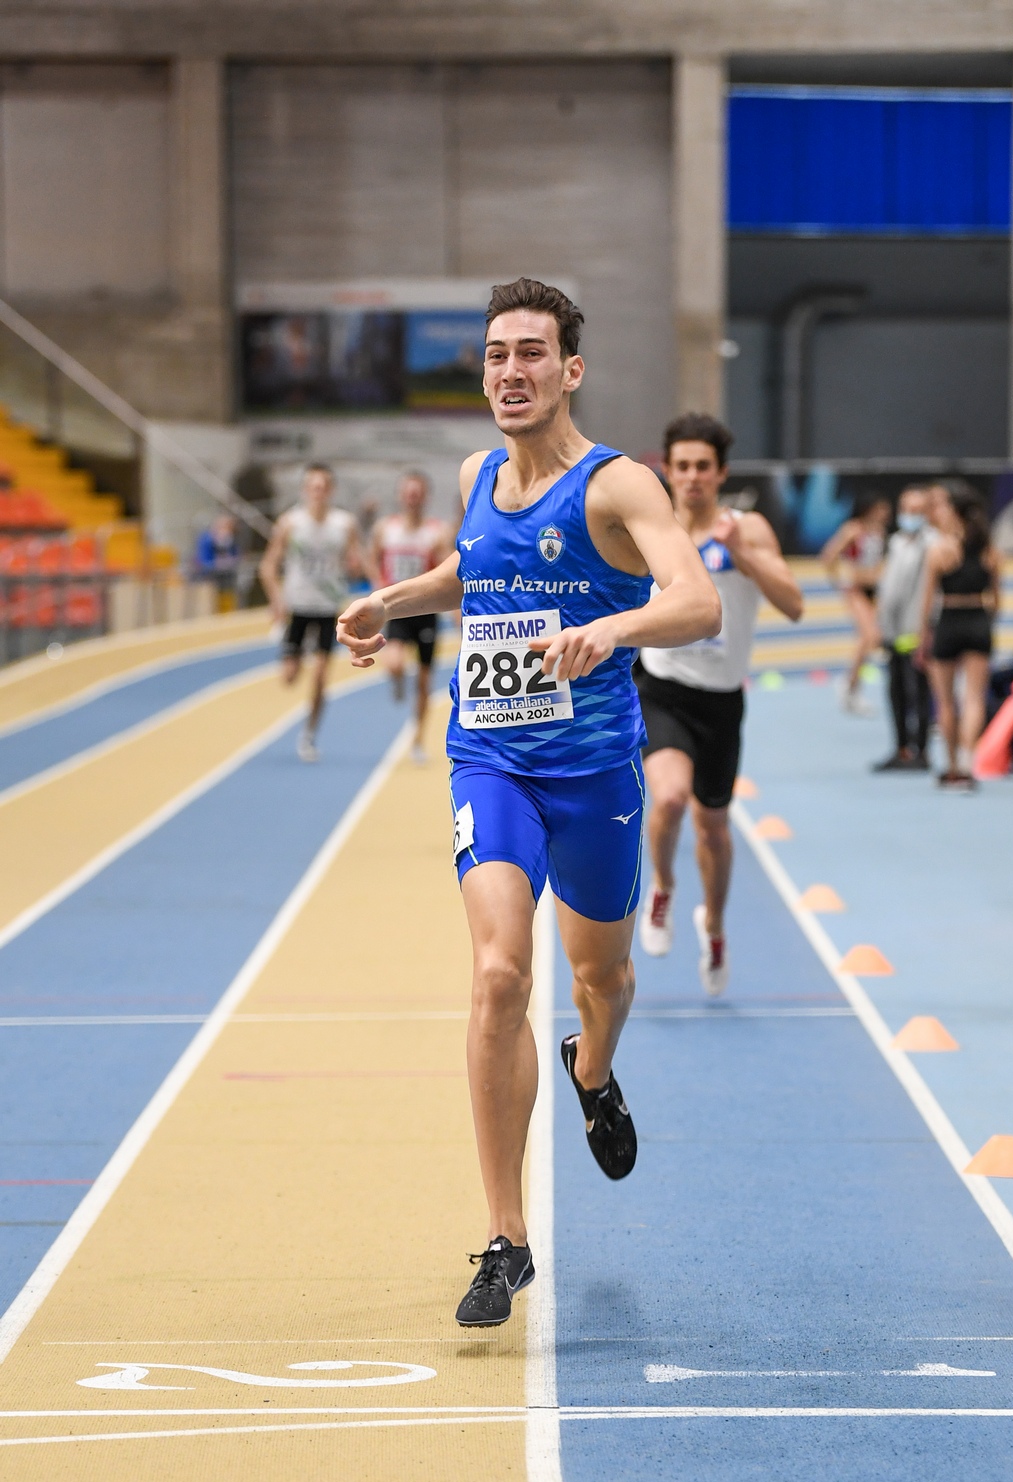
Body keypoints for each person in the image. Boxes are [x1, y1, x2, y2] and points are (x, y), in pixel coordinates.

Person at [336, 277, 721, 1327]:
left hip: (593, 775)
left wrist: (611, 630)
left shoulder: (618, 486)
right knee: (500, 973)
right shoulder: (476, 475)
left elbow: (697, 601)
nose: (511, 371)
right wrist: (392, 600)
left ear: (569, 370)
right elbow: (475, 569)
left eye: (531, 353)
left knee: (602, 978)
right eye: (497, 354)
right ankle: (506, 1241)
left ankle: (593, 1072)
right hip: (491, 761)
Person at [634, 415, 803, 992]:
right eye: (682, 466)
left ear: (722, 473)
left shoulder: (746, 528)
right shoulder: (653, 530)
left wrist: (743, 555)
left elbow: (794, 605)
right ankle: (662, 886)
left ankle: (714, 925)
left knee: (713, 829)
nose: (692, 477)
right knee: (669, 798)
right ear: (667, 470)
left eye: (703, 467)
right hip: (661, 688)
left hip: (721, 701)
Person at [259, 463, 360, 763]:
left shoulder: (344, 524)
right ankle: (297, 652)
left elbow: (358, 560)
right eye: (313, 487)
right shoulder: (290, 523)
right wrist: (276, 600)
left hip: (328, 608)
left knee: (320, 676)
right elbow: (267, 566)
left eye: (323, 487)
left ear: (331, 490)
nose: (318, 492)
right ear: (305, 490)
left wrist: (363, 576)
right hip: (298, 606)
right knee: (289, 678)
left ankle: (309, 734)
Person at [919, 479, 1001, 790]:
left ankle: (951, 765)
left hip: (949, 619)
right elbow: (997, 600)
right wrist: (985, 622)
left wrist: (923, 635)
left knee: (945, 701)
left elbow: (928, 602)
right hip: (978, 617)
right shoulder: (989, 550)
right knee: (974, 698)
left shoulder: (940, 550)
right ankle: (968, 761)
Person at [370, 472, 452, 763]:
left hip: (426, 612)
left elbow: (447, 570)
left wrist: (455, 611)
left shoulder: (436, 532)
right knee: (393, 663)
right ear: (400, 496)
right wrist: (377, 586)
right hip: (398, 609)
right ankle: (397, 680)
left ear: (425, 497)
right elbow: (373, 558)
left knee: (424, 683)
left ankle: (417, 740)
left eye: (417, 493)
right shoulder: (386, 529)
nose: (412, 498)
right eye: (408, 493)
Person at [872, 485, 936, 772]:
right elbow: (889, 588)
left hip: (916, 629)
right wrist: (881, 623)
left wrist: (927, 629)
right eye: (907, 510)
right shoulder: (896, 542)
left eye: (917, 510)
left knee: (918, 691)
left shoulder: (932, 544)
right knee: (895, 690)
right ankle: (901, 748)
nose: (911, 515)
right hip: (894, 630)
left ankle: (921, 749)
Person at [821, 495, 890, 715]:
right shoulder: (853, 529)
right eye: (880, 509)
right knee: (870, 636)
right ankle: (849, 685)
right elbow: (829, 555)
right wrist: (837, 579)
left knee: (869, 639)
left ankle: (852, 685)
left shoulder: (880, 531)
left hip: (875, 589)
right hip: (856, 589)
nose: (885, 514)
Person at [194, 513, 239, 612]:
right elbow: (203, 561)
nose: (227, 532)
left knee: (229, 583)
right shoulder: (206, 539)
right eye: (226, 528)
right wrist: (217, 564)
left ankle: (228, 609)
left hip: (225, 574)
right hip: (209, 574)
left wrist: (230, 561)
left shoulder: (230, 540)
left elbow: (235, 555)